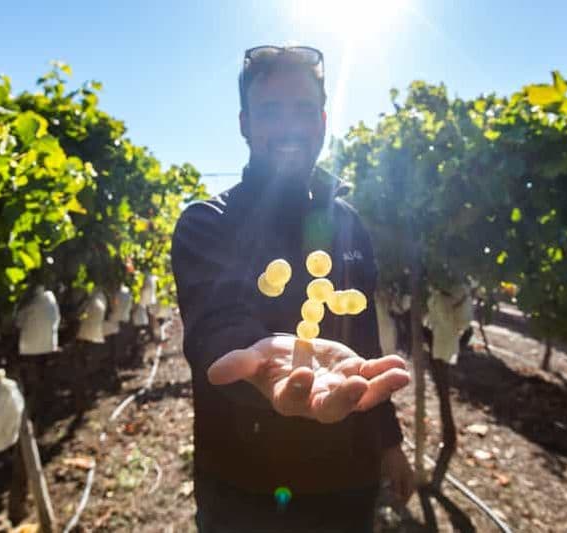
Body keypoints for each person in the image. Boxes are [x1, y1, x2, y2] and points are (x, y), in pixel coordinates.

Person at [172, 45, 414, 533]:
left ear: (322, 121)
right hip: (243, 493)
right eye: (270, 111)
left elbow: (365, 339)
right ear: (244, 123)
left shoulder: (348, 222)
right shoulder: (207, 223)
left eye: (303, 110)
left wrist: (389, 443)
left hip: (348, 483)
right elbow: (216, 323)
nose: (289, 126)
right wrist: (258, 361)